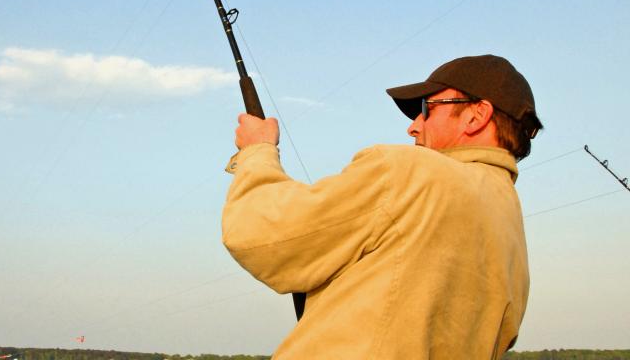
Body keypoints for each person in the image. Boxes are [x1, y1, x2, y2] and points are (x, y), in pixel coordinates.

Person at [221, 54, 543, 359]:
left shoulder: (407, 172)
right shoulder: (511, 231)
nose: (414, 126)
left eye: (426, 108)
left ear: (477, 115)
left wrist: (257, 150)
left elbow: (263, 234)